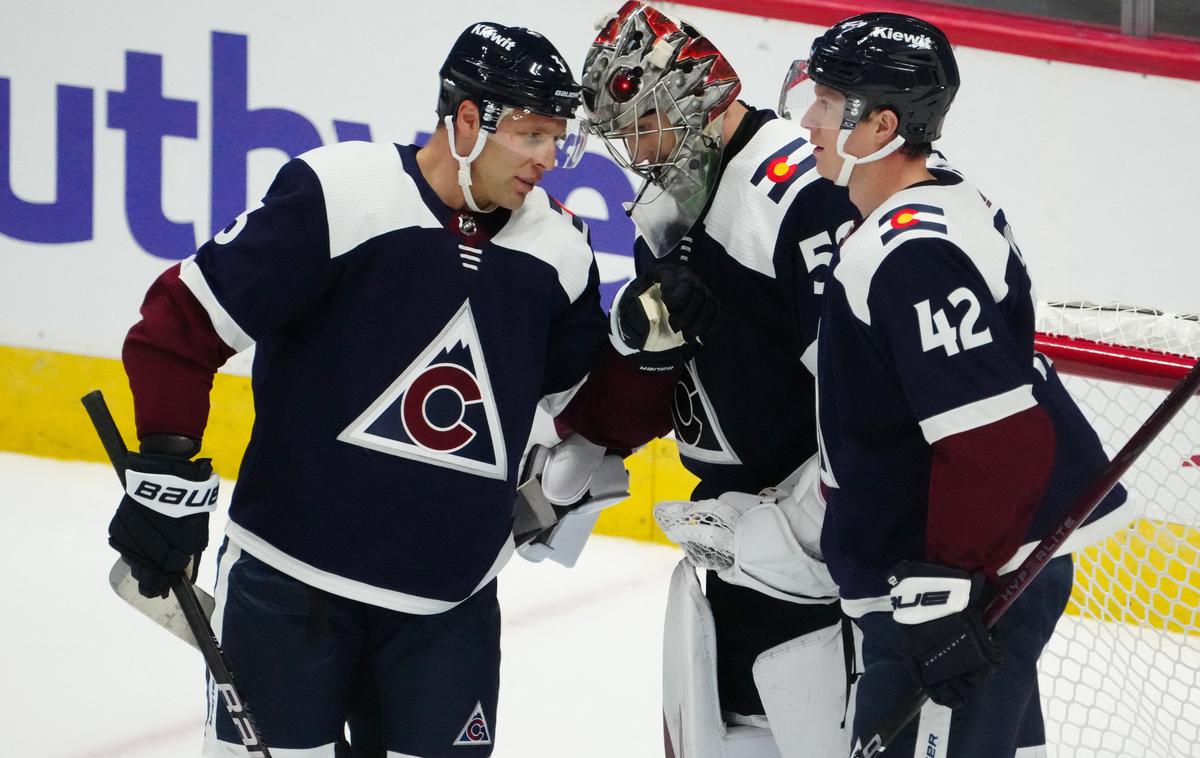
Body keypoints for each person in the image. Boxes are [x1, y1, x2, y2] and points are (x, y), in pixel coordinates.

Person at [106, 21, 610, 757]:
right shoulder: (342, 192)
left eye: (555, 139)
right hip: (287, 585)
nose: (546, 161)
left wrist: (648, 349)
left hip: (448, 605)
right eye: (532, 135)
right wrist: (164, 480)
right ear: (468, 119)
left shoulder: (560, 250)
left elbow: (583, 402)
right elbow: (179, 327)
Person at [780, 13, 1134, 756]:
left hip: (968, 585)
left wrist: (948, 592)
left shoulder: (912, 253)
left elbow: (994, 439)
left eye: (826, 102)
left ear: (879, 126)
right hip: (969, 570)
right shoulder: (933, 200)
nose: (807, 119)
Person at [579, 3, 863, 755]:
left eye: (643, 125)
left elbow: (862, 401)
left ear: (696, 97)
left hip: (810, 555)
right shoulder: (674, 205)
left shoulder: (801, 195)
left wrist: (801, 531)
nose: (636, 152)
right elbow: (673, 373)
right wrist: (636, 349)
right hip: (734, 542)